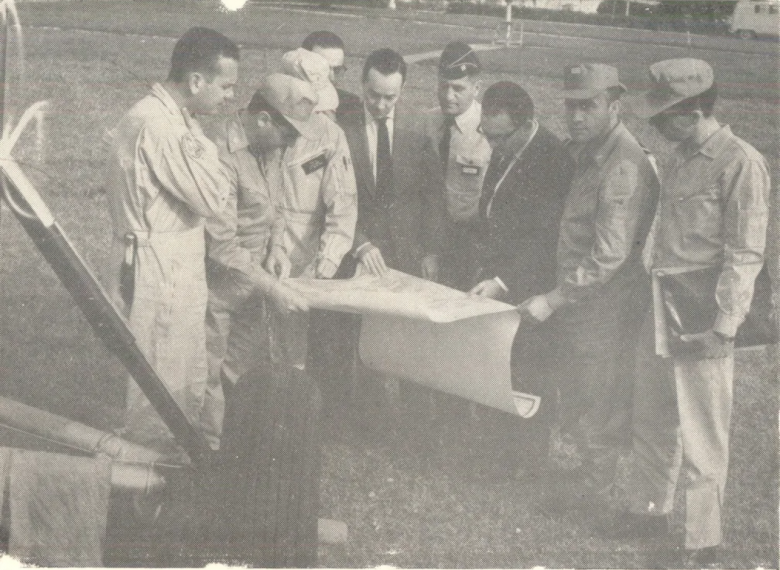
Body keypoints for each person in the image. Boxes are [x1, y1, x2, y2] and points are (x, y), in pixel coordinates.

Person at [614, 59, 770, 568]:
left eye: (665, 115)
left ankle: (701, 541)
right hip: (661, 302)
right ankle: (650, 510)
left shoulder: (741, 162)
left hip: (702, 311)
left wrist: (725, 325)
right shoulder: (677, 155)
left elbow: (745, 252)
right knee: (652, 415)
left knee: (703, 430)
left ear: (695, 109)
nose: (656, 125)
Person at [515, 63, 659, 499]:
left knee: (599, 403)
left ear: (614, 106)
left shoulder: (622, 164)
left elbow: (608, 255)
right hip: (579, 305)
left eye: (589, 106)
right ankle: (586, 480)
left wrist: (554, 299)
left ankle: (596, 495)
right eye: (571, 106)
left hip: (601, 307)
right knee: (578, 396)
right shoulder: (586, 151)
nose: (576, 116)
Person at [104, 27, 238, 452]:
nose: (230, 97)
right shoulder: (163, 126)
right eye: (226, 85)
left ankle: (170, 467)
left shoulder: (167, 118)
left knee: (183, 375)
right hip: (160, 265)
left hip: (169, 259)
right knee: (161, 385)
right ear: (196, 80)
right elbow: (215, 196)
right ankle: (148, 484)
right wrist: (206, 146)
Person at [468, 81, 573, 479]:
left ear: (525, 123)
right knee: (500, 367)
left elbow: (544, 237)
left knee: (530, 372)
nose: (490, 145)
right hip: (499, 278)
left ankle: (528, 462)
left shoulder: (552, 159)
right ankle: (499, 451)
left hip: (533, 286)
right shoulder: (506, 144)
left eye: (497, 137)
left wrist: (503, 280)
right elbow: (491, 207)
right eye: (485, 134)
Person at [205, 74, 312, 446]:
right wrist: (272, 286)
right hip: (217, 290)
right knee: (209, 378)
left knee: (242, 372)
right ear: (264, 119)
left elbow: (276, 206)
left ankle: (236, 450)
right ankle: (207, 460)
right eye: (290, 133)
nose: (293, 143)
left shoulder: (272, 146)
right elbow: (220, 244)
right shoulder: (218, 153)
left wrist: (278, 249)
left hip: (253, 285)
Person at [273, 49, 358, 370]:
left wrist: (330, 256)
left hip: (304, 253)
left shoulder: (331, 135)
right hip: (258, 244)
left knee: (294, 351)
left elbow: (344, 202)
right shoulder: (263, 122)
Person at [340, 47, 445, 279]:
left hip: (409, 255)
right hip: (357, 252)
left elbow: (433, 195)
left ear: (402, 89)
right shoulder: (343, 126)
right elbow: (333, 197)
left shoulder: (420, 125)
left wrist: (431, 251)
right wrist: (359, 244)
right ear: (362, 83)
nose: (379, 105)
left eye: (390, 97)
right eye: (373, 94)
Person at [423, 41, 491, 290]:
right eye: (443, 86)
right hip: (429, 235)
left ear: (476, 87)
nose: (448, 96)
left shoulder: (490, 131)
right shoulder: (427, 123)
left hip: (469, 241)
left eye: (458, 88)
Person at [302, 30, 362, 121]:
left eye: (337, 70)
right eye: (323, 69)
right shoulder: (281, 103)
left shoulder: (351, 104)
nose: (332, 78)